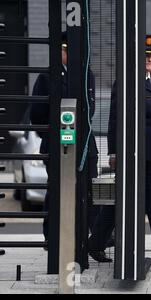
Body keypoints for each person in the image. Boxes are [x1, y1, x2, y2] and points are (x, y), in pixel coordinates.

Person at [89, 35, 151, 265]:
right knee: (123, 201)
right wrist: (113, 153)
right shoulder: (125, 82)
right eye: (144, 55)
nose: (149, 59)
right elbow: (114, 120)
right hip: (132, 153)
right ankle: (96, 243)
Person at [30, 31, 99, 245]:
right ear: (60, 51)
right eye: (66, 50)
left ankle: (93, 239)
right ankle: (52, 238)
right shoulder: (47, 76)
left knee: (89, 190)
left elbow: (90, 110)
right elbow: (38, 115)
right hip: (58, 144)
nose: (70, 55)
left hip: (86, 144)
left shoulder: (87, 74)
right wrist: (54, 137)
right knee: (58, 190)